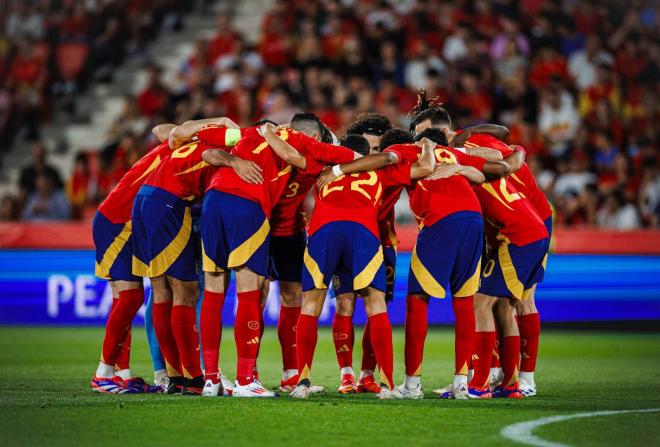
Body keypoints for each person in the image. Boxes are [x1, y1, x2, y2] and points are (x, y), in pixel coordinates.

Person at [200, 113, 357, 397]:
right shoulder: (304, 146)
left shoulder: (251, 133)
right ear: (313, 137)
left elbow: (205, 145)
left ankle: (213, 378)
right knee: (251, 291)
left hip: (223, 204)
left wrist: (236, 155)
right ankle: (247, 378)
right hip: (251, 210)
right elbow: (352, 155)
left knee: (216, 288)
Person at [284, 130, 436, 399]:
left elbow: (295, 157)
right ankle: (387, 386)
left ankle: (302, 382)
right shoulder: (379, 172)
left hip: (323, 232)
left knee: (311, 305)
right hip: (363, 233)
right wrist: (425, 145)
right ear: (367, 154)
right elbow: (425, 166)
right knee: (375, 304)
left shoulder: (324, 171)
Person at [132, 117, 256, 395]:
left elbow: (164, 130)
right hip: (169, 203)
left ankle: (176, 377)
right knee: (185, 292)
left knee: (163, 291)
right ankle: (192, 378)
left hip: (147, 200)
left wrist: (212, 123)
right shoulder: (227, 145)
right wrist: (234, 158)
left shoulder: (193, 138)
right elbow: (210, 153)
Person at [90, 123, 175, 394]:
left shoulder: (172, 147)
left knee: (124, 298)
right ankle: (103, 372)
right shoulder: (179, 154)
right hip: (118, 221)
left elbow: (161, 129)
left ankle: (122, 372)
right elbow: (162, 129)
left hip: (120, 220)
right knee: (131, 297)